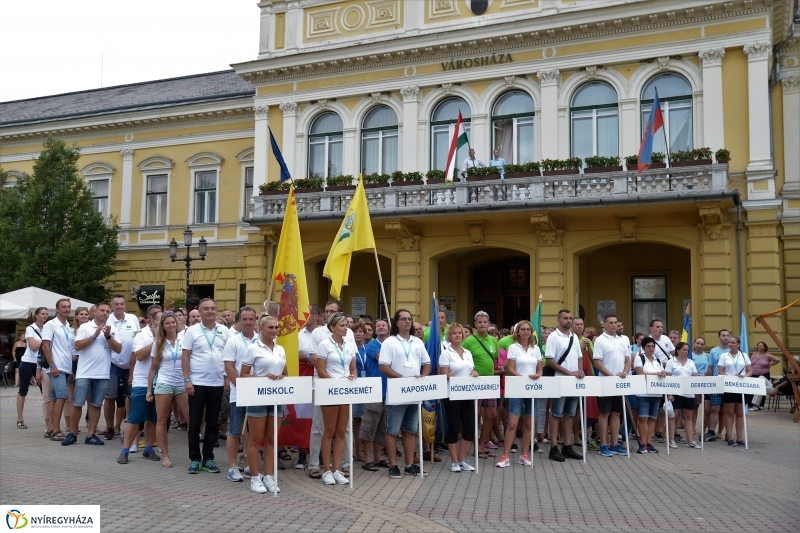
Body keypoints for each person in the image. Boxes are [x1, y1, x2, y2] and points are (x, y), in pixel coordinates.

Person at [379, 309, 431, 479]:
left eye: (409, 319)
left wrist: (423, 376)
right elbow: (384, 366)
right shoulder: (390, 342)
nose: (407, 322)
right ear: (396, 322)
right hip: (397, 392)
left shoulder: (417, 342)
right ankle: (393, 465)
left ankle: (410, 464)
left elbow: (427, 363)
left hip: (414, 392)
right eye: (403, 319)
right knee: (393, 430)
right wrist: (402, 378)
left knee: (410, 430)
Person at [181, 297, 230, 474]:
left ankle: (208, 458)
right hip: (197, 383)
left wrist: (227, 378)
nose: (210, 311)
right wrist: (187, 380)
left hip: (217, 382)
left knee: (212, 422)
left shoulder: (224, 331)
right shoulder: (192, 331)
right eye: (206, 309)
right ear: (200, 312)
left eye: (213, 308)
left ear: (216, 311)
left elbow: (229, 356)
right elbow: (185, 356)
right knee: (194, 423)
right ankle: (194, 458)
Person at [240, 314, 288, 493]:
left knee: (271, 439)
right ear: (261, 329)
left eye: (276, 327)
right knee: (255, 439)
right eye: (271, 327)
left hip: (276, 397)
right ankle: (254, 477)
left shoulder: (281, 349)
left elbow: (285, 373)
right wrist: (263, 378)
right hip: (258, 396)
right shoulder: (253, 348)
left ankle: (268, 475)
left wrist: (282, 377)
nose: (274, 330)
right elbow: (243, 374)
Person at [308, 300, 355, 480]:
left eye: (346, 325)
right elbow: (320, 369)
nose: (346, 328)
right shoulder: (324, 343)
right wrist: (335, 382)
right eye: (343, 326)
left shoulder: (349, 343)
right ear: (333, 327)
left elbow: (353, 367)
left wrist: (352, 376)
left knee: (342, 431)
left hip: (344, 391)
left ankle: (337, 469)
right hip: (328, 389)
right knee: (328, 430)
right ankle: (326, 469)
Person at [63, 301, 121, 446]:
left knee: (96, 404)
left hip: (102, 374)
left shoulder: (112, 328)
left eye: (108, 311)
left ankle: (91, 435)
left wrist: (108, 337)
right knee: (77, 403)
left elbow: (118, 349)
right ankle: (73, 433)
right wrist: (95, 335)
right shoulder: (85, 327)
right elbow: (77, 346)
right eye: (102, 310)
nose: (105, 313)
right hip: (84, 373)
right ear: (94, 312)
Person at [117, 308, 162, 465]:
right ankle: (125, 450)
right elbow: (140, 356)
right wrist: (157, 340)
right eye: (159, 320)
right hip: (142, 382)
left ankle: (148, 448)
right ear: (151, 321)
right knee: (135, 418)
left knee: (153, 418)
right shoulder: (142, 335)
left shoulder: (171, 337)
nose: (162, 323)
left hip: (161, 382)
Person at [497, 320, 542, 468]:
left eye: (528, 329)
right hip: (518, 386)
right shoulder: (513, 347)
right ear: (518, 332)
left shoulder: (535, 349)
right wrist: (522, 378)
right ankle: (505, 456)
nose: (526, 332)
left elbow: (540, 369)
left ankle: (524, 455)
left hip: (532, 387)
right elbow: (510, 368)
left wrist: (537, 375)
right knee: (513, 423)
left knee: (529, 423)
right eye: (523, 329)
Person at [146, 312, 189, 468]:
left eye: (173, 322)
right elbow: (152, 369)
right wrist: (149, 389)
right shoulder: (158, 343)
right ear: (163, 326)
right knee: (162, 420)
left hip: (182, 382)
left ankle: (195, 454)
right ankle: (165, 456)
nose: (171, 325)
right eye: (168, 323)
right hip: (164, 382)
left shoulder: (184, 340)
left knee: (191, 418)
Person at [221, 306, 258, 481]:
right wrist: (241, 386)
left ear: (256, 321)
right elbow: (229, 367)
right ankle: (233, 467)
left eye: (251, 319)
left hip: (258, 394)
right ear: (239, 321)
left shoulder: (262, 340)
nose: (248, 322)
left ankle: (250, 465)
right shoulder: (233, 341)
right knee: (235, 430)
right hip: (239, 392)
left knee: (253, 432)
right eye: (245, 319)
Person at [545, 310, 585, 462]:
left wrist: (580, 370)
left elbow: (579, 356)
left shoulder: (574, 337)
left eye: (570, 318)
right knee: (556, 414)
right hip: (559, 380)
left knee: (570, 414)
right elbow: (549, 360)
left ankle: (567, 446)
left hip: (574, 381)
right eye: (565, 318)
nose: (568, 321)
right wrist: (569, 372)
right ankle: (554, 447)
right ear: (558, 319)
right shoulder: (553, 337)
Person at [439, 323, 478, 472]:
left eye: (459, 333)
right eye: (454, 333)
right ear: (449, 336)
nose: (457, 335)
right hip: (452, 395)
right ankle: (454, 460)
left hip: (467, 393)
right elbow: (444, 373)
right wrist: (450, 377)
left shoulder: (467, 352)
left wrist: (474, 373)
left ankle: (462, 459)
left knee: (469, 427)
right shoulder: (446, 353)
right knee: (453, 427)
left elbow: (470, 369)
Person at [462, 310, 500, 458]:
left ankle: (482, 444)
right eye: (480, 322)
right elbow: (462, 359)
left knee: (492, 414)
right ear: (475, 324)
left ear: (489, 324)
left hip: (489, 382)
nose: (483, 325)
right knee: (475, 416)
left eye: (485, 322)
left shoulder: (492, 340)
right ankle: (475, 447)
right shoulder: (469, 341)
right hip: (474, 383)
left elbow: (494, 358)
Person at [102, 294, 140, 441]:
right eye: (116, 304)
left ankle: (128, 428)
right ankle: (109, 427)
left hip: (131, 362)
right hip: (111, 363)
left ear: (125, 305)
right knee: (110, 397)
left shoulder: (133, 318)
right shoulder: (107, 319)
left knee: (131, 396)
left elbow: (138, 338)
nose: (119, 306)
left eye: (122, 304)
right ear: (112, 306)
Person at [592, 314, 630, 457]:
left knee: (616, 413)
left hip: (619, 382)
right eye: (611, 323)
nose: (614, 325)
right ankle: (603, 444)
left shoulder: (622, 340)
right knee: (605, 412)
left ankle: (614, 443)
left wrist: (625, 372)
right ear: (605, 325)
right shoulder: (600, 341)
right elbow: (597, 362)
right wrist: (610, 376)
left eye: (616, 322)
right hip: (606, 381)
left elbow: (627, 360)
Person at [41, 299, 74, 441]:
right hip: (56, 366)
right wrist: (52, 365)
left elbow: (68, 349)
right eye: (63, 307)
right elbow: (45, 346)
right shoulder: (51, 324)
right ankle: (56, 430)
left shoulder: (68, 326)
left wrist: (71, 369)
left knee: (55, 398)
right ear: (57, 309)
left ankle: (50, 429)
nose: (66, 309)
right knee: (62, 396)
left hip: (66, 367)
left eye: (68, 307)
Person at [360, 318, 390, 472]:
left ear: (388, 328)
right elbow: (383, 359)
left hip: (389, 391)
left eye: (383, 325)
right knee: (369, 425)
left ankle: (378, 457)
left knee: (381, 427)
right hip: (375, 390)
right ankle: (367, 459)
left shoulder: (391, 343)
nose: (380, 327)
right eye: (378, 326)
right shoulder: (372, 345)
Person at [16, 307, 48, 431]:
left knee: (45, 391)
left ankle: (47, 419)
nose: (45, 316)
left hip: (41, 363)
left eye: (46, 314)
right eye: (42, 314)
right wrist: (46, 343)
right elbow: (34, 346)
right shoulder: (30, 328)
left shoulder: (47, 328)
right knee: (23, 390)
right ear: (36, 315)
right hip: (28, 362)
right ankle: (20, 419)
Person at [665, 342, 700, 448]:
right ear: (678, 350)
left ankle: (690, 441)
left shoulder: (691, 362)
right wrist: (669, 393)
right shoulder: (671, 362)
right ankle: (671, 440)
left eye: (687, 350)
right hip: (675, 392)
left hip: (688, 392)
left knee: (688, 417)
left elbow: (695, 375)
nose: (686, 352)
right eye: (684, 350)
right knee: (673, 416)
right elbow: (667, 378)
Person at [633, 337, 665, 454]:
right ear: (643, 347)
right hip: (643, 392)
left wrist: (662, 373)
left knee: (652, 419)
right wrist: (656, 373)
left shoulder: (658, 360)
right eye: (648, 346)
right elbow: (640, 373)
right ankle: (642, 443)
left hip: (656, 393)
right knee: (643, 418)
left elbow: (662, 374)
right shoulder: (639, 358)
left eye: (653, 346)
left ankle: (648, 443)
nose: (651, 348)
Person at [718, 336, 752, 447]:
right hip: (729, 386)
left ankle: (740, 438)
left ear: (738, 344)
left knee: (740, 413)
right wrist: (729, 377)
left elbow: (750, 370)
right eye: (729, 342)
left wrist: (745, 376)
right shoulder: (724, 356)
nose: (730, 344)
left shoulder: (744, 355)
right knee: (729, 412)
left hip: (742, 386)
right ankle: (729, 437)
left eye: (733, 342)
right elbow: (720, 371)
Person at [649, 319, 674, 443]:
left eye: (661, 326)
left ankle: (661, 430)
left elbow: (673, 353)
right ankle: (654, 431)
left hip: (668, 374)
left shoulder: (666, 339)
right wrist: (663, 364)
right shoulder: (648, 341)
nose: (660, 329)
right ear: (651, 328)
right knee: (656, 404)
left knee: (666, 405)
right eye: (657, 326)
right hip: (656, 375)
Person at [704, 329, 730, 442]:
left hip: (729, 384)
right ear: (719, 337)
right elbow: (710, 367)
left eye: (727, 335)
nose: (725, 337)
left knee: (726, 410)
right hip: (716, 382)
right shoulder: (714, 351)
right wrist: (708, 383)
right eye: (723, 335)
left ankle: (725, 433)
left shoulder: (733, 351)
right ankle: (711, 432)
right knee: (715, 408)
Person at [351, 322, 368, 463]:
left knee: (360, 421)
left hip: (365, 388)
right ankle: (347, 451)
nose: (358, 333)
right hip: (352, 387)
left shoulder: (367, 349)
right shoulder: (349, 349)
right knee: (348, 421)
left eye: (361, 331)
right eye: (355, 331)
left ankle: (358, 450)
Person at [748, 342, 780, 411]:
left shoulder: (767, 355)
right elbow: (750, 363)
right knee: (752, 389)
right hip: (753, 374)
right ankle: (751, 404)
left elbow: (777, 360)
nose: (759, 347)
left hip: (763, 374)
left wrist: (770, 365)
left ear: (764, 347)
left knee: (761, 389)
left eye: (761, 345)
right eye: (758, 345)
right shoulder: (754, 354)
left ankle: (760, 405)